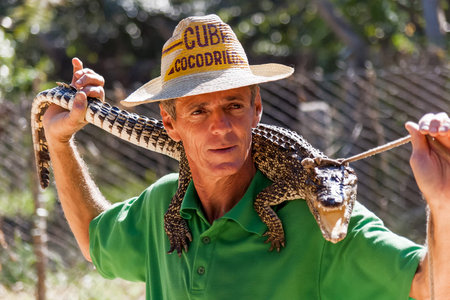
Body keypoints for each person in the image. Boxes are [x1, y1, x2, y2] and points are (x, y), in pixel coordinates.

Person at [43, 15, 449, 299]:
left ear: (257, 108)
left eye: (233, 106)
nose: (221, 127)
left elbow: (432, 288)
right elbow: (93, 239)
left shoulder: (325, 218)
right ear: (169, 122)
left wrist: (443, 202)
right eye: (199, 111)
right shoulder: (163, 204)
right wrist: (58, 144)